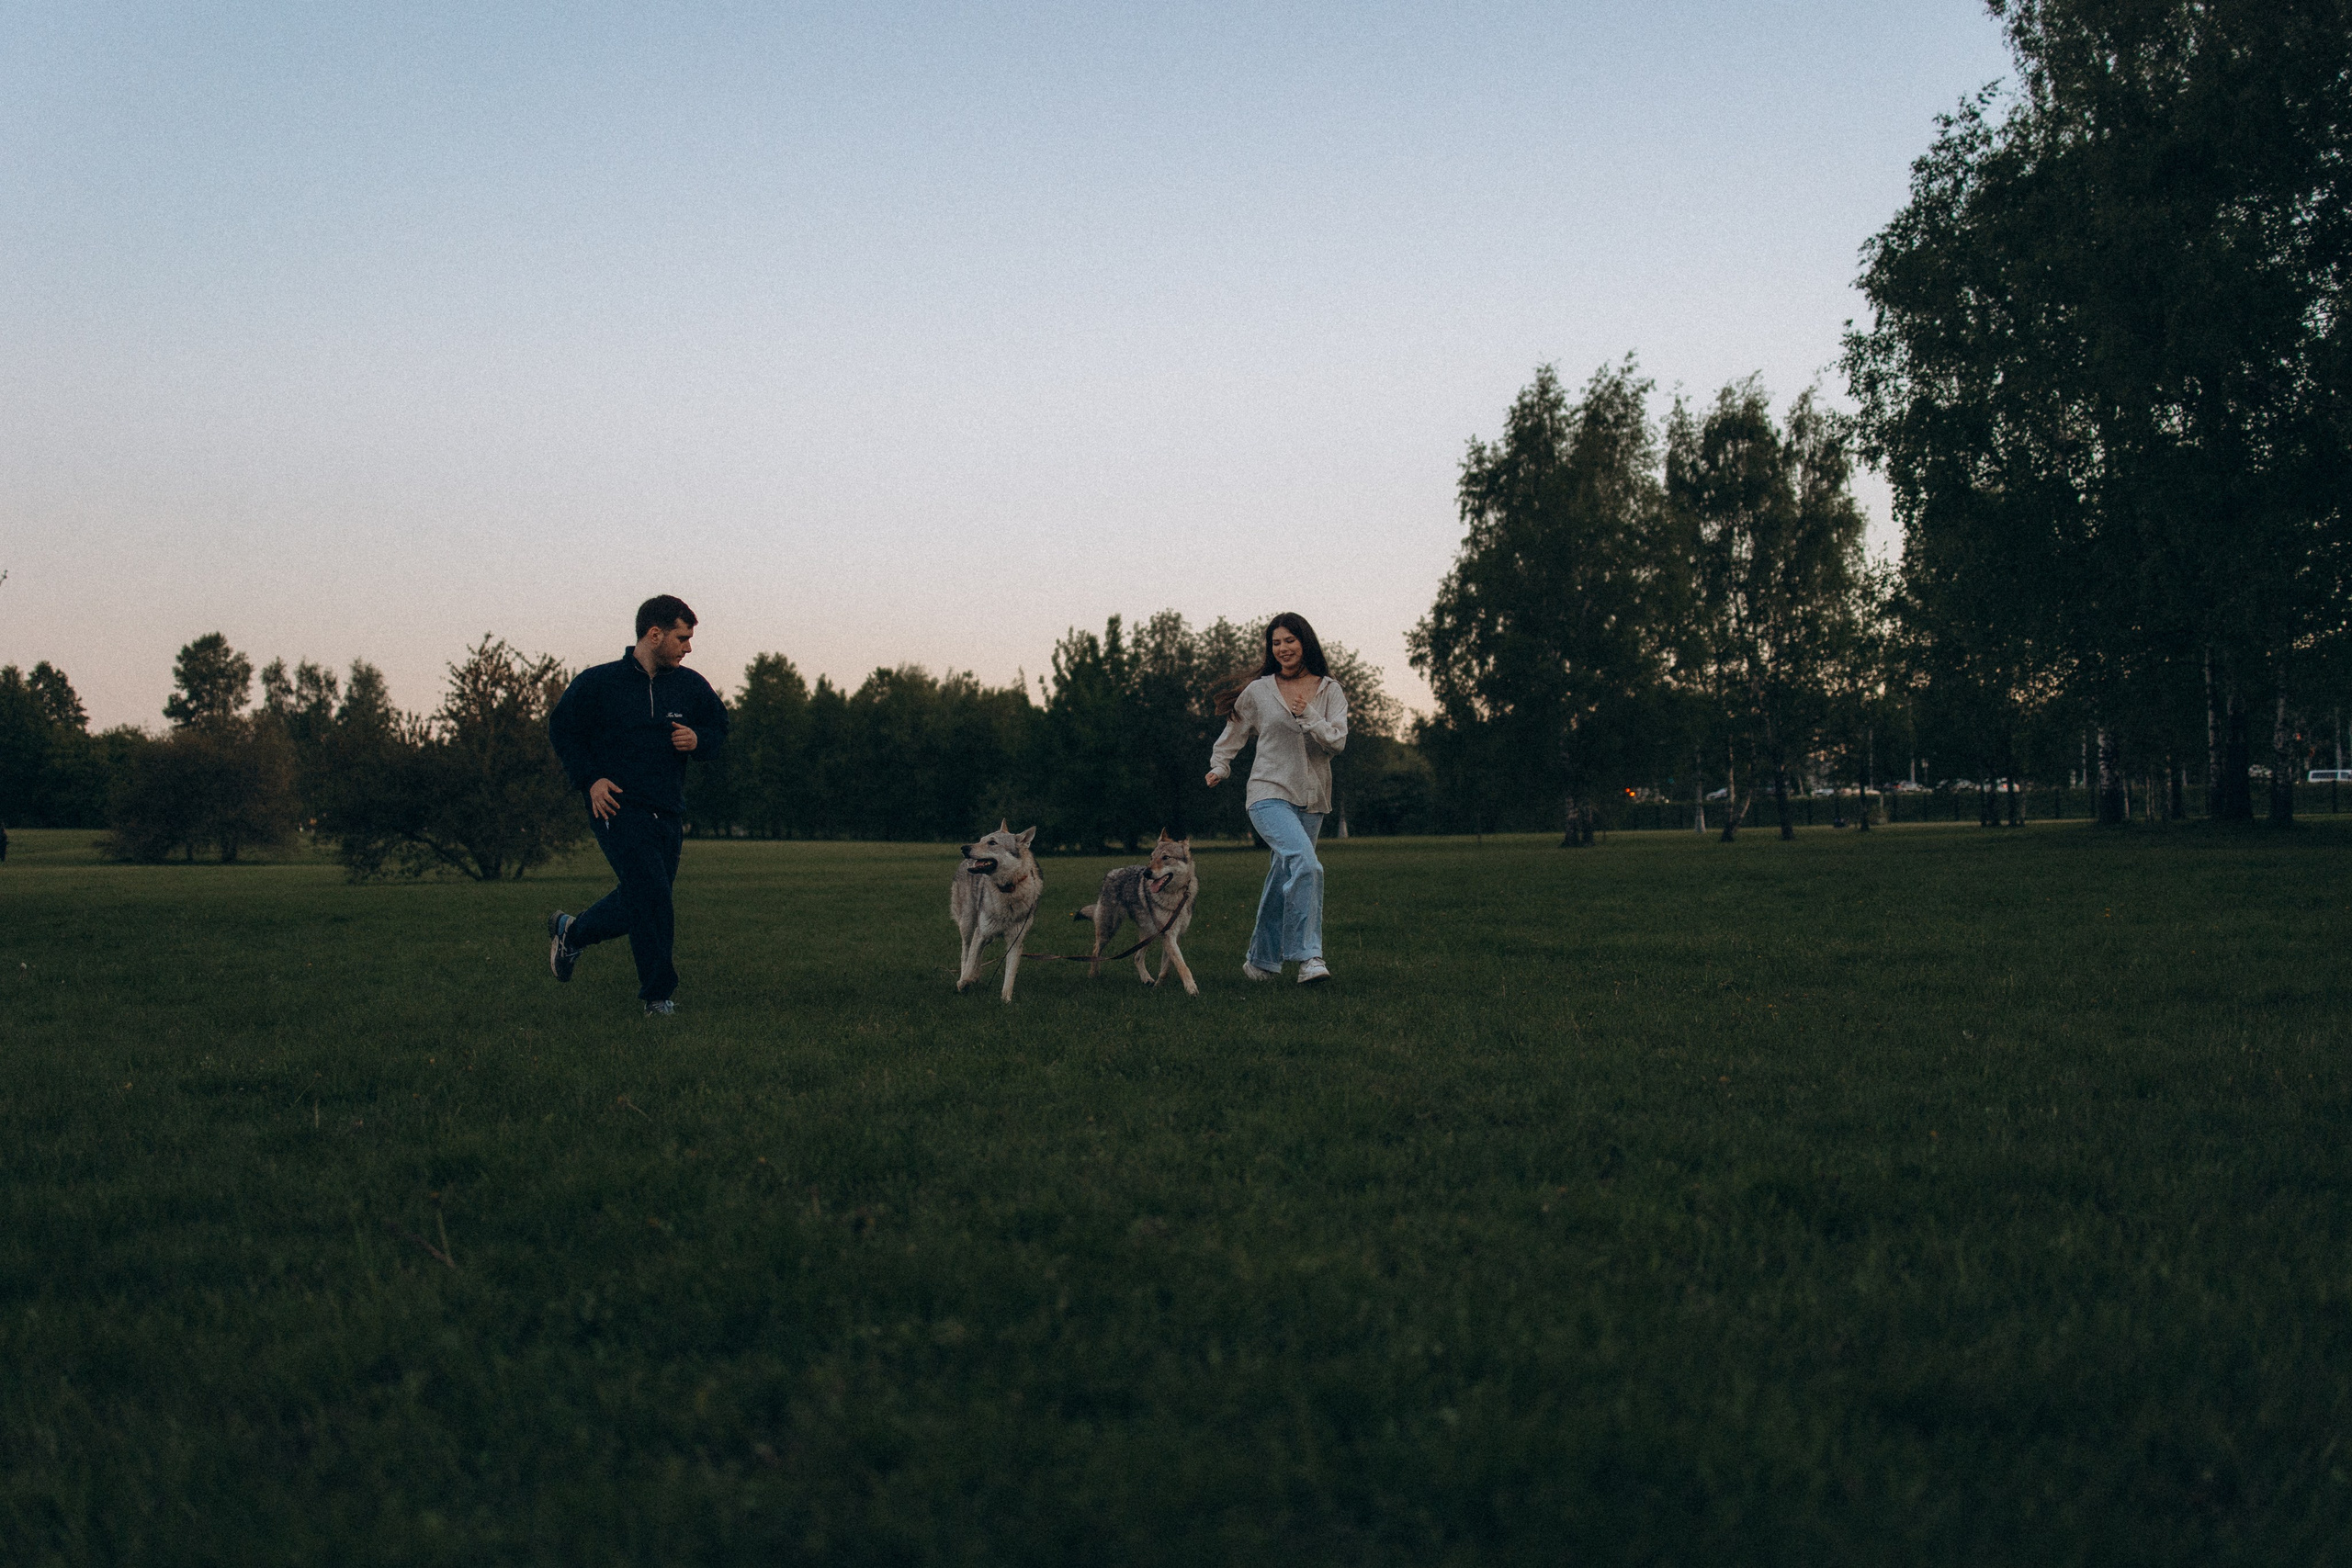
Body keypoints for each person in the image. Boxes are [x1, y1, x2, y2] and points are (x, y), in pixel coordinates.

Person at [545, 594, 730, 1016]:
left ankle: (572, 933)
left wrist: (699, 740)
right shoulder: (599, 683)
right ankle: (657, 997)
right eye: (682, 638)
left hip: (667, 809)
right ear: (654, 634)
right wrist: (590, 779)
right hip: (616, 807)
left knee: (649, 896)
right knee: (653, 895)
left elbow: (720, 727)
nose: (688, 648)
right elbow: (562, 730)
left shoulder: (689, 685)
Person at [1205, 613, 1348, 984]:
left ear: (1305, 642)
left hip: (1313, 798)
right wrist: (1221, 767)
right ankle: (1309, 958)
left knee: (1283, 874)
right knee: (1307, 864)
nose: (1282, 648)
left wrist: (1311, 715)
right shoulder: (1259, 691)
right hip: (1267, 793)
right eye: (1276, 642)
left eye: (1289, 640)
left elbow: (1337, 742)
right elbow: (1232, 734)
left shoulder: (1330, 690)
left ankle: (1260, 962)